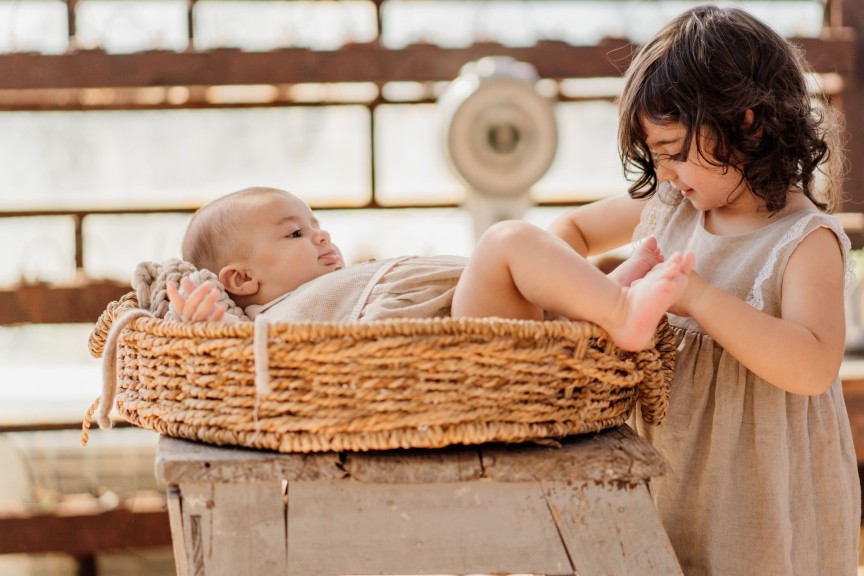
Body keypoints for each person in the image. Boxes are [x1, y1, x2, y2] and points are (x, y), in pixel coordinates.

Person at [548, 5, 860, 575]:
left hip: (759, 492)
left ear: (748, 123)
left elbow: (813, 365)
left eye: (672, 151)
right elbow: (568, 233)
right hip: (666, 465)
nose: (664, 172)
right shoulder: (671, 204)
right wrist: (597, 300)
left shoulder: (803, 239)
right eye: (656, 156)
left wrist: (698, 298)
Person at [166, 185, 693, 352]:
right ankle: (619, 310)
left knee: (529, 275)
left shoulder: (329, 291)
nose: (321, 234)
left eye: (317, 223)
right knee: (507, 239)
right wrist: (213, 327)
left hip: (476, 315)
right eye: (296, 233)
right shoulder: (269, 326)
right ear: (241, 280)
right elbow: (242, 371)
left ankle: (605, 295)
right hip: (460, 338)